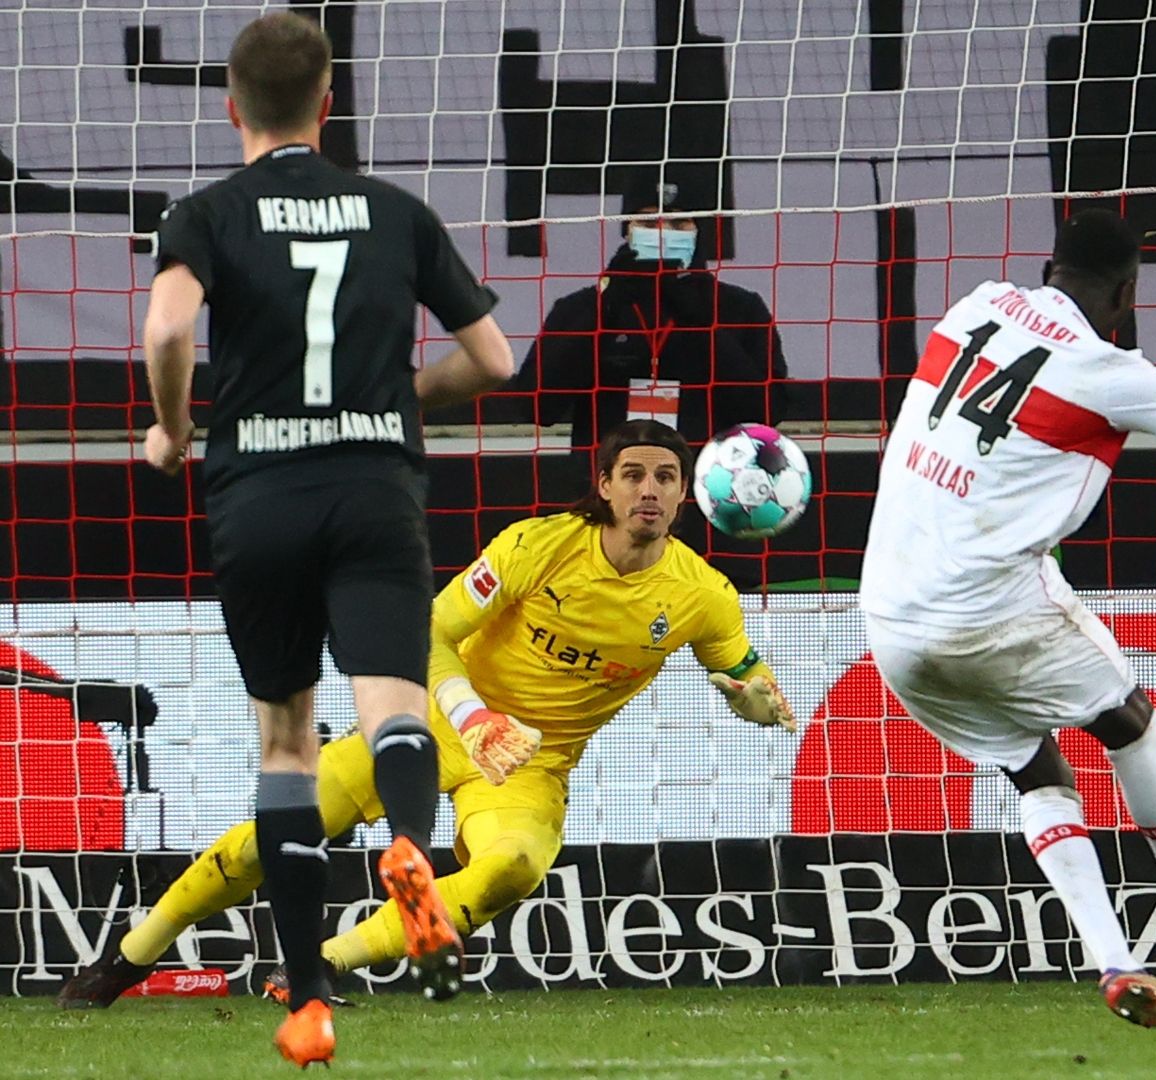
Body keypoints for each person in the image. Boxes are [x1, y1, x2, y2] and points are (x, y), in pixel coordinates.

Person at [55, 12, 516, 1066]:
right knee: (393, 708)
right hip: (372, 490)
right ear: (328, 103)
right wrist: (401, 396)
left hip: (258, 496)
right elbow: (495, 358)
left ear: (231, 109)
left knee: (287, 744)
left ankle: (307, 996)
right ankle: (412, 848)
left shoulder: (206, 214)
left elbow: (168, 327)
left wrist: (173, 427)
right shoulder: (397, 212)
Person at [60, 421, 794, 1010]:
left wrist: (758, 707)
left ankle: (319, 965)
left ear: (687, 493)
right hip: (437, 725)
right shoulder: (535, 546)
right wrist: (472, 716)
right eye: (632, 474)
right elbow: (431, 633)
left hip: (529, 765)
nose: (648, 490)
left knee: (514, 867)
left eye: (664, 477)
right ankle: (130, 957)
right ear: (603, 485)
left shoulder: (704, 596)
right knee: (270, 838)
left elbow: (749, 683)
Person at [859, 208, 1156, 1028]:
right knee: (1130, 722)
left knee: (1036, 769)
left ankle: (1118, 966)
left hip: (890, 618)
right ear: (1127, 292)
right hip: (986, 609)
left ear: (1052, 266)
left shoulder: (976, 306)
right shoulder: (1108, 370)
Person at [517, 168, 790, 448]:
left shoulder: (741, 308)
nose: (663, 233)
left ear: (699, 230)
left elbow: (769, 412)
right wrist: (605, 310)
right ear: (627, 230)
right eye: (648, 222)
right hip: (609, 473)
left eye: (679, 223)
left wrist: (701, 324)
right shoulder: (583, 306)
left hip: (704, 472)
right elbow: (536, 408)